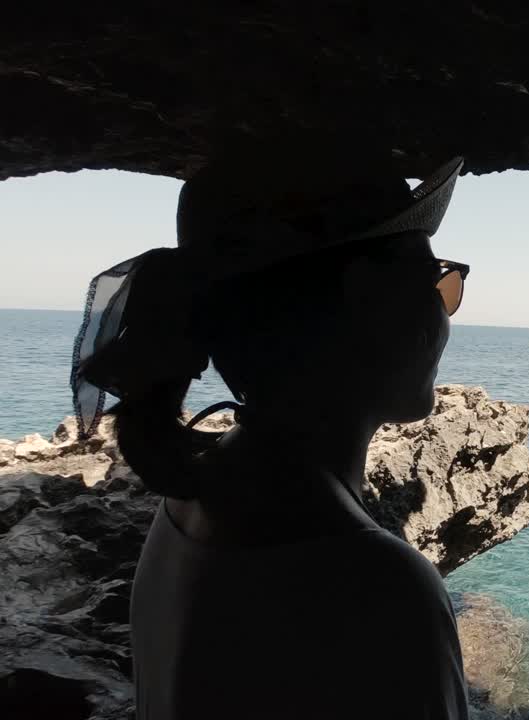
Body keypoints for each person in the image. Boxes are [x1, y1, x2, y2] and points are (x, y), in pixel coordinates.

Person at [73, 141, 472, 719]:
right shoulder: (379, 586)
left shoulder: (189, 506)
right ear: (367, 297)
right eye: (436, 281)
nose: (447, 308)